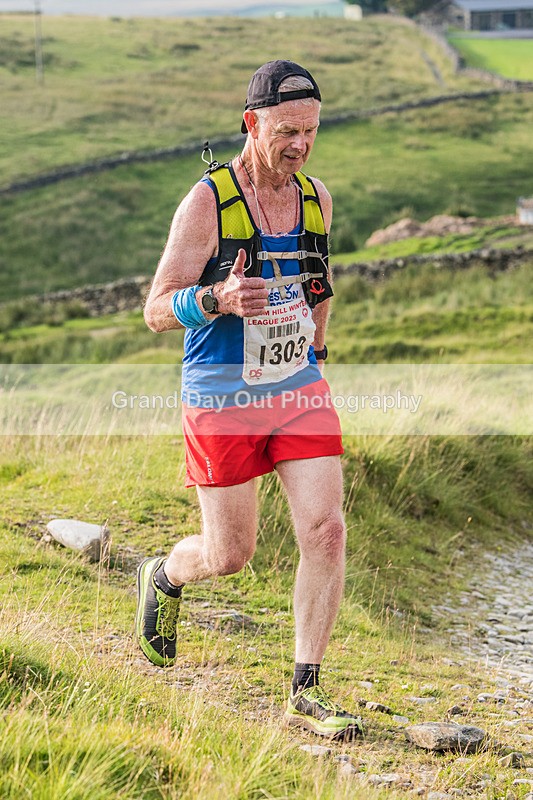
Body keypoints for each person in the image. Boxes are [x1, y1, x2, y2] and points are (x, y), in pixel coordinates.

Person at [136, 60, 363, 741]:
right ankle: (167, 573)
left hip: (296, 388)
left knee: (325, 530)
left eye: (311, 131)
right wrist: (215, 299)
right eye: (287, 131)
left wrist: (315, 354)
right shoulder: (207, 201)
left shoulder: (315, 197)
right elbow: (153, 309)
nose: (300, 145)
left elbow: (318, 282)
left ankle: (305, 689)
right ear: (251, 124)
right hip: (222, 394)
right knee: (229, 554)